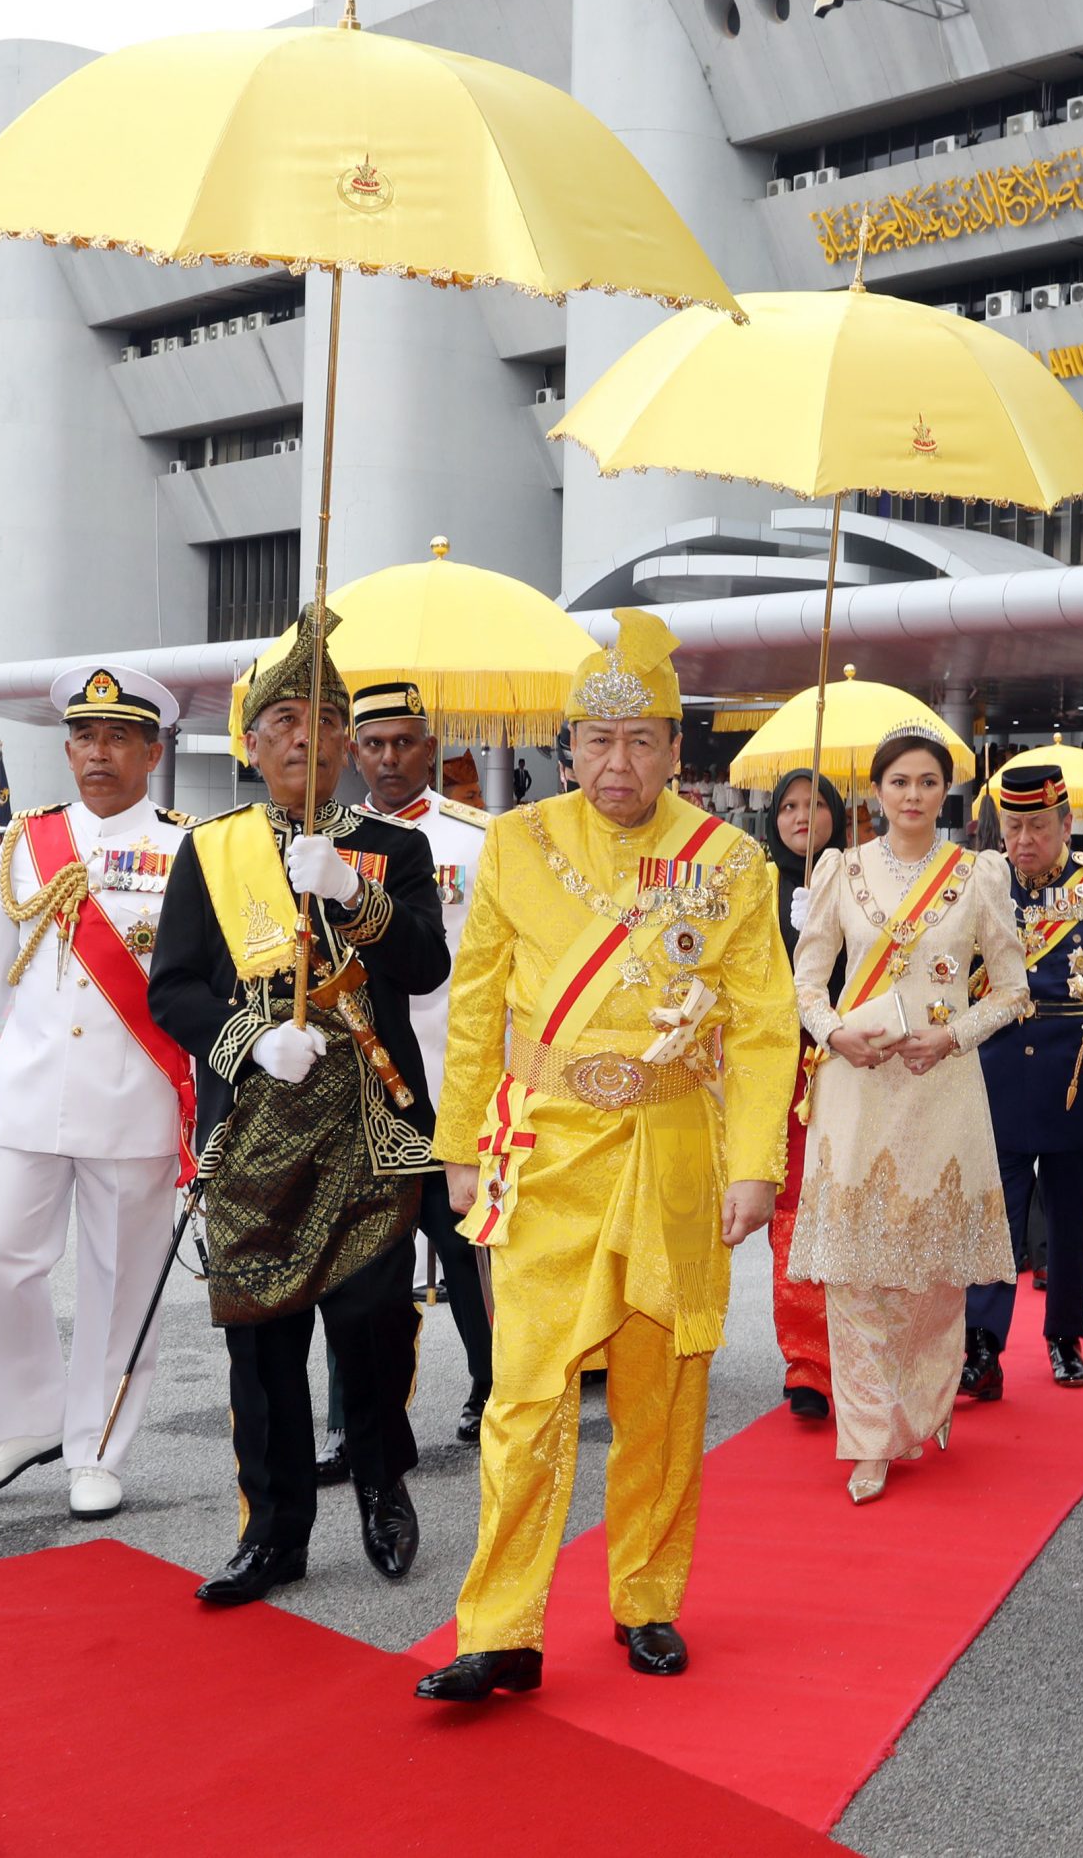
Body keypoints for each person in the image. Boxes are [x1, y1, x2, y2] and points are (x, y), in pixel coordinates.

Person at [412, 612, 796, 1702]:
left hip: (673, 1144)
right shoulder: (518, 842)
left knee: (662, 1393)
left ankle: (645, 1595)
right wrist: (456, 1151)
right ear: (566, 744)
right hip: (545, 1149)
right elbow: (478, 1001)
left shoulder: (730, 861)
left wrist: (753, 1163)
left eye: (640, 741)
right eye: (594, 739)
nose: (615, 763)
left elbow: (766, 1023)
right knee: (523, 1394)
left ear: (678, 748)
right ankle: (499, 1626)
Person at [148, 605, 449, 1607]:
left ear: (345, 746)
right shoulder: (212, 849)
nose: (303, 740)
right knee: (260, 1338)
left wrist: (354, 896)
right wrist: (245, 1042)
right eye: (282, 723)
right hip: (255, 1133)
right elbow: (177, 985)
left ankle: (379, 1479)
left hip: (370, 1124)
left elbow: (424, 961)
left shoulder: (388, 849)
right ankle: (273, 1528)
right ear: (250, 741)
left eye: (323, 724)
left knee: (372, 1324)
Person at [0, 667, 194, 1523]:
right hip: (27, 1099)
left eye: (119, 738)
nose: (98, 753)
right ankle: (22, 1426)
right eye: (84, 737)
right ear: (68, 747)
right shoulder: (27, 843)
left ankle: (96, 1449)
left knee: (122, 1289)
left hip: (136, 1103)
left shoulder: (191, 849)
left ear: (154, 750)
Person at [789, 729, 1028, 1502]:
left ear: (945, 793)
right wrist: (834, 1033)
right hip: (857, 1089)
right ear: (877, 791)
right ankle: (868, 1437)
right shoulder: (839, 870)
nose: (914, 795)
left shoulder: (977, 875)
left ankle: (922, 1408)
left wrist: (953, 1035)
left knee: (931, 1273)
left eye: (928, 783)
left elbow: (1012, 991)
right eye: (900, 782)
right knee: (856, 1273)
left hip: (941, 1085)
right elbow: (806, 983)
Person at [345, 678, 495, 1448]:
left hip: (458, 1077)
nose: (389, 757)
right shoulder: (324, 844)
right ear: (353, 752)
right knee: (361, 1267)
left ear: (431, 750)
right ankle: (360, 1418)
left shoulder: (479, 838)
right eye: (373, 744)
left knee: (469, 1253)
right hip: (366, 1090)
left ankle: (491, 1390)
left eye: (405, 742)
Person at [961, 762, 1083, 1399]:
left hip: (1072, 1074)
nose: (1024, 840)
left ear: (1066, 824)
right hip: (998, 1071)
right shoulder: (977, 885)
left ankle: (1065, 1337)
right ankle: (981, 1343)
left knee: (1069, 1217)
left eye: (1037, 825)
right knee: (994, 1215)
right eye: (1013, 827)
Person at [768, 765, 846, 1419]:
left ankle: (859, 1352)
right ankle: (807, 1365)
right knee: (792, 1214)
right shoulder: (755, 888)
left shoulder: (862, 881)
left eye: (814, 804)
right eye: (788, 805)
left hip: (855, 1062)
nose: (801, 816)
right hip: (783, 1071)